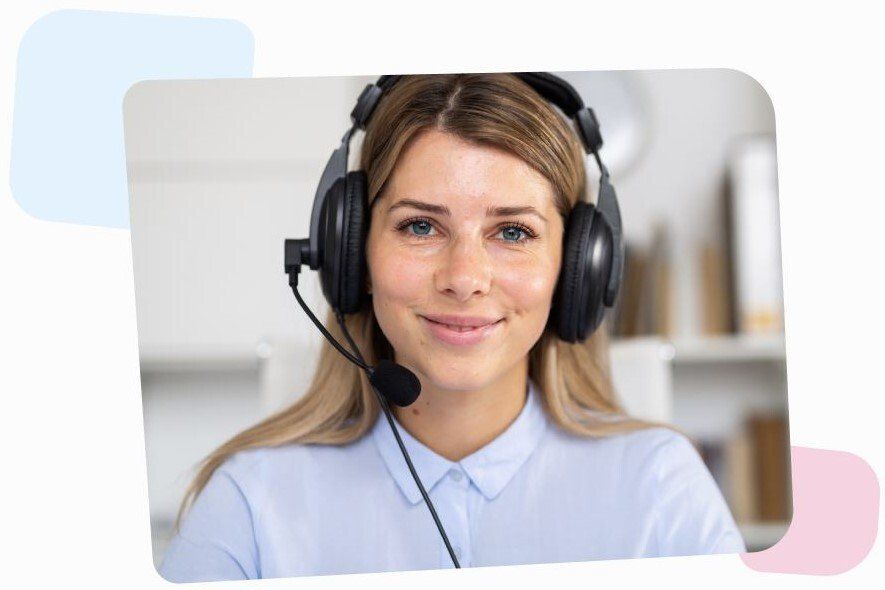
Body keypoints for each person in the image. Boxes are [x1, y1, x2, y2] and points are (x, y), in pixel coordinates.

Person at [158, 73, 745, 583]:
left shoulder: (662, 490)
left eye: (513, 232)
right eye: (420, 227)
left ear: (578, 269)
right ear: (351, 254)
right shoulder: (251, 505)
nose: (465, 279)